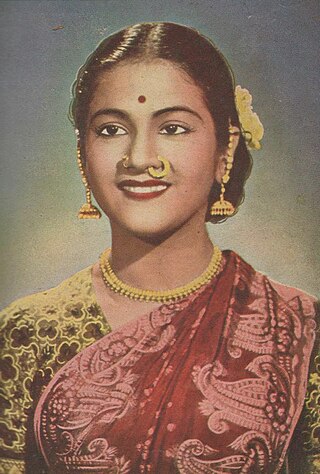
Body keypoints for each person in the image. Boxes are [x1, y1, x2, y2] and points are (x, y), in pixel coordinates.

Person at [0, 22, 318, 474]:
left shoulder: (298, 326)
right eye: (111, 129)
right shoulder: (29, 333)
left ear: (224, 150)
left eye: (173, 127)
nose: (140, 158)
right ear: (82, 154)